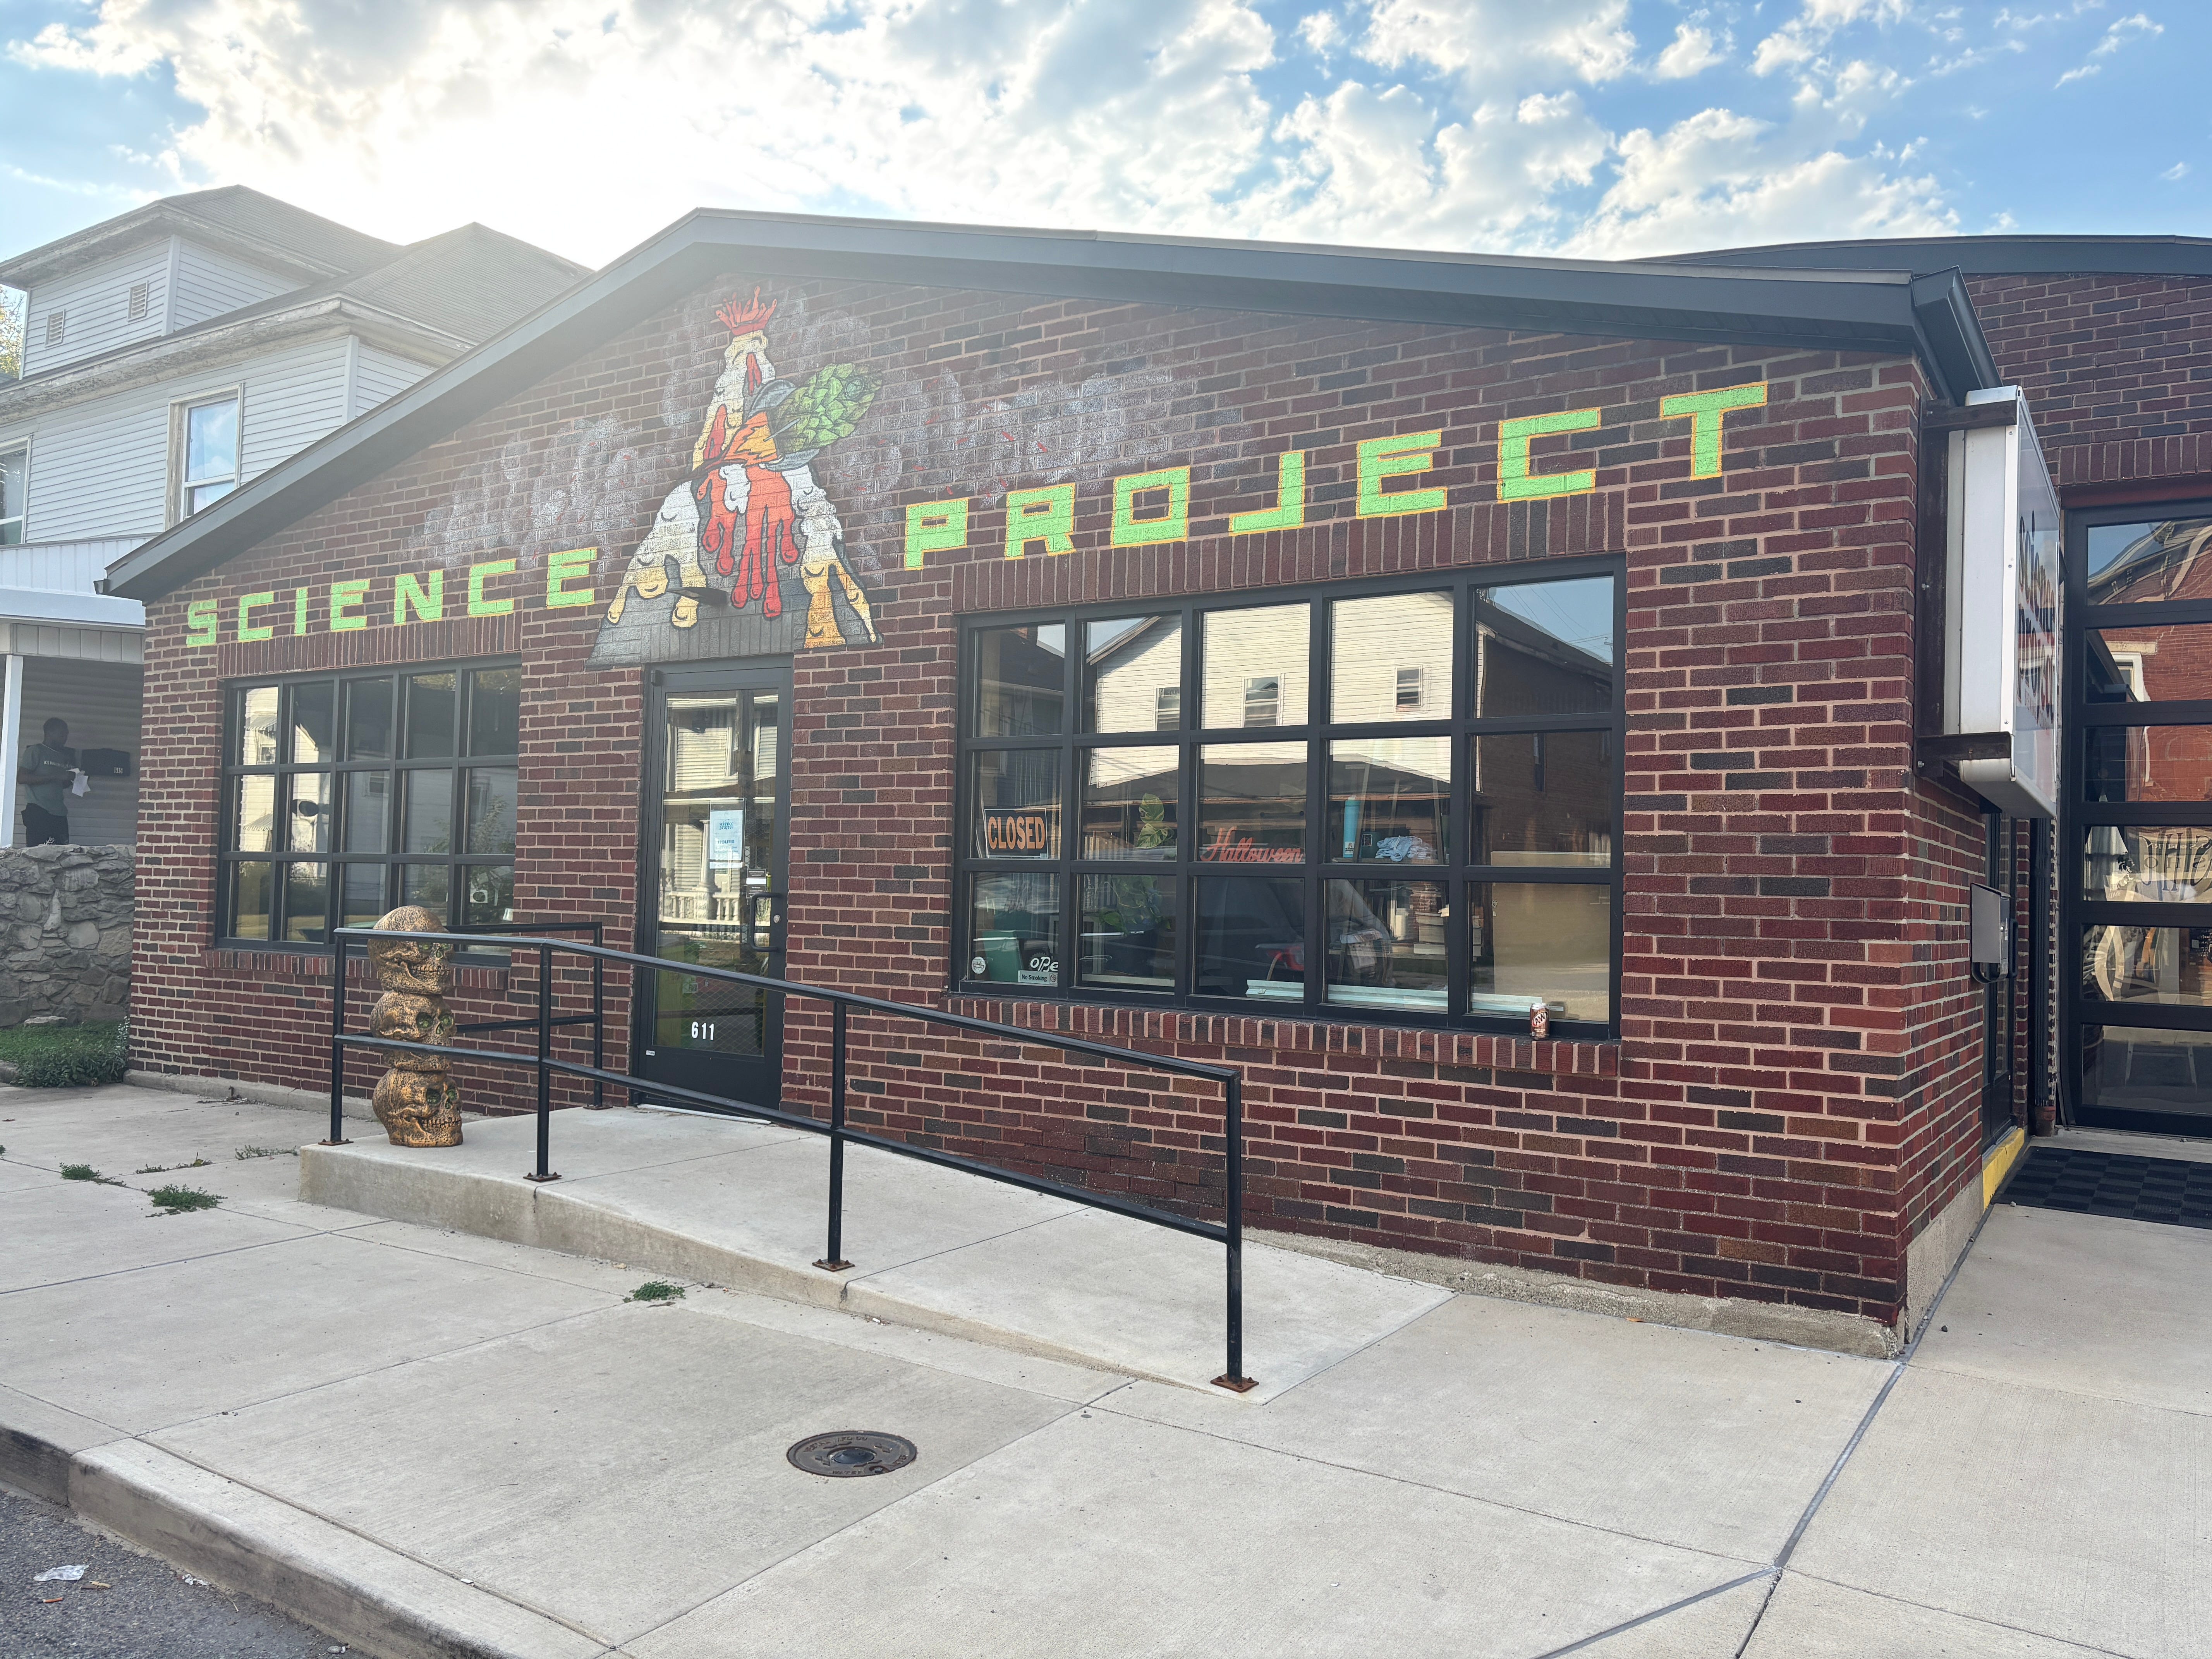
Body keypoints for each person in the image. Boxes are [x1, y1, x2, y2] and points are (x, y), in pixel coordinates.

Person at [18, 717, 77, 845]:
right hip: (39, 811)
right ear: (50, 733)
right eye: (62, 735)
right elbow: (22, 778)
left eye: (66, 735)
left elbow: (56, 784)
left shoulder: (62, 756)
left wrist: (72, 779)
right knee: (39, 852)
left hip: (59, 812)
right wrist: (56, 776)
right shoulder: (36, 751)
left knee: (63, 852)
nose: (65, 738)